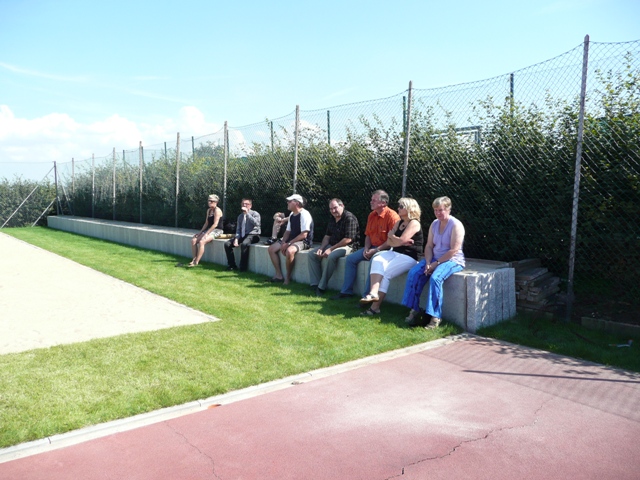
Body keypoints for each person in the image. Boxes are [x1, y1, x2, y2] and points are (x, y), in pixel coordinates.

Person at [402, 196, 465, 329]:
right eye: (435, 210)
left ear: (448, 209)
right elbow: (429, 246)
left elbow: (454, 250)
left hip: (452, 260)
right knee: (414, 273)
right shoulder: (434, 224)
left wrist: (435, 265)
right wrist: (428, 262)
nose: (437, 213)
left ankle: (435, 316)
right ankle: (415, 309)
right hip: (434, 258)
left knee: (436, 278)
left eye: (440, 210)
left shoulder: (456, 225)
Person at [330, 190, 400, 299]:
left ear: (383, 203)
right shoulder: (371, 215)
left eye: (374, 200)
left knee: (374, 262)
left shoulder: (392, 216)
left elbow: (391, 241)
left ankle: (367, 296)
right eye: (371, 200)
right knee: (350, 259)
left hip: (386, 249)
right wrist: (366, 248)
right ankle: (346, 292)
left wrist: (376, 250)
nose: (371, 202)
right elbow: (368, 235)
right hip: (371, 247)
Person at [360, 198, 423, 315]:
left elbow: (397, 240)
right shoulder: (399, 222)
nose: (398, 208)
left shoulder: (414, 223)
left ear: (409, 208)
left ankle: (374, 308)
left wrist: (394, 238)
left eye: (401, 206)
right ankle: (373, 292)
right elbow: (390, 242)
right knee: (377, 259)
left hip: (410, 256)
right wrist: (398, 241)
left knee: (386, 273)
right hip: (395, 252)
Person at [308, 198, 360, 296]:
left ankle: (321, 287)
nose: (333, 211)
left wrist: (331, 249)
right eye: (331, 209)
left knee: (331, 256)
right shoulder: (332, 218)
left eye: (335, 208)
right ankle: (315, 284)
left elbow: (348, 239)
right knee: (312, 254)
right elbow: (327, 236)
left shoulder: (349, 218)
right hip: (333, 244)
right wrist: (321, 248)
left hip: (348, 246)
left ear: (342, 206)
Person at [267, 194, 314, 284]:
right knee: (271, 249)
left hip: (304, 241)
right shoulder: (292, 214)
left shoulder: (305, 214)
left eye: (289, 201)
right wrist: (283, 242)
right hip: (292, 239)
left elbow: (304, 235)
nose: (287, 203)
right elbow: (288, 232)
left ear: (297, 203)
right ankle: (279, 275)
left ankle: (287, 278)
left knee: (289, 251)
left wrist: (288, 244)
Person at [224, 198, 261, 271]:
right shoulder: (240, 216)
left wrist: (247, 214)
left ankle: (243, 268)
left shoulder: (255, 214)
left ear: (250, 206)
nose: (244, 205)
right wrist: (236, 239)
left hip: (254, 235)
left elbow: (257, 223)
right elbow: (238, 229)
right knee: (227, 244)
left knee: (244, 244)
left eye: (246, 204)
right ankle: (232, 265)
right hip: (243, 235)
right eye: (243, 204)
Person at [188, 194, 223, 267]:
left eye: (211, 201)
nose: (209, 202)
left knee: (202, 241)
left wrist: (206, 234)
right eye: (208, 201)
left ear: (216, 202)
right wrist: (200, 233)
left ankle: (196, 262)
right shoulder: (209, 210)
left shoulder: (217, 210)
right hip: (209, 230)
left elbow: (215, 224)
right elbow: (206, 223)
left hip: (217, 230)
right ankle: (194, 259)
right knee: (194, 240)